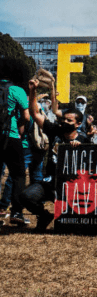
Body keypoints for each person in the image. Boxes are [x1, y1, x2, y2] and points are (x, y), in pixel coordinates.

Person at [21, 75, 89, 231]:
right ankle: (44, 215)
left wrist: (81, 148)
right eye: (64, 119)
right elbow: (35, 113)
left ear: (78, 124)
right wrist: (32, 91)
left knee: (69, 226)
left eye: (69, 121)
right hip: (51, 183)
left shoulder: (85, 139)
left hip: (74, 186)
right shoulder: (54, 131)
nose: (65, 122)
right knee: (26, 196)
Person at [0, 57, 32, 226]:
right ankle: (17, 212)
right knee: (18, 175)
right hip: (11, 136)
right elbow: (26, 116)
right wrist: (20, 128)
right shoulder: (17, 90)